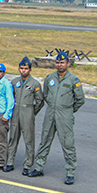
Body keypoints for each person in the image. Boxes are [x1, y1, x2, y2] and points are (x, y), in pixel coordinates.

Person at [30, 52, 85, 184]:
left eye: (62, 62)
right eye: (58, 63)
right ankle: (39, 167)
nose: (59, 65)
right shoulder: (50, 78)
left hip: (65, 115)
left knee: (68, 144)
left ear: (67, 63)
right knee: (45, 141)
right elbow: (46, 95)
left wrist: (69, 110)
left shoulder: (73, 80)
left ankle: (70, 173)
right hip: (50, 113)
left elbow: (80, 99)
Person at [5, 57, 44, 175]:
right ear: (18, 69)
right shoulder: (15, 82)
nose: (23, 71)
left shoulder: (35, 83)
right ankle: (10, 162)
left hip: (27, 112)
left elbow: (40, 101)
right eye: (21, 68)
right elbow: (10, 98)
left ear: (30, 70)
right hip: (16, 112)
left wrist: (32, 113)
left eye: (26, 69)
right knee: (13, 138)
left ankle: (27, 165)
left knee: (29, 140)